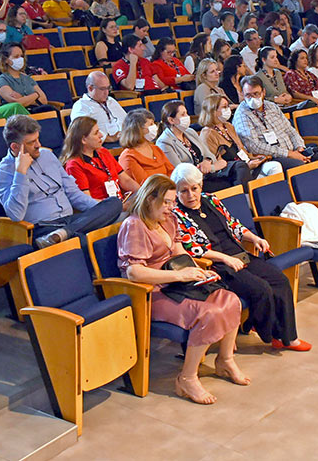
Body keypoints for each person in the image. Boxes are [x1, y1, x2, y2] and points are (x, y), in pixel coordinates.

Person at [117, 174, 246, 405]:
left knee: (231, 299)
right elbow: (134, 273)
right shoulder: (134, 225)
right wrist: (179, 275)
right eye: (166, 202)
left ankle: (225, 360)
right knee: (209, 313)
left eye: (172, 201)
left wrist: (198, 271)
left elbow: (178, 251)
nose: (171, 207)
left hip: (178, 282)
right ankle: (187, 378)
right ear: (149, 200)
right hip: (152, 291)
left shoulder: (168, 220)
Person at [171, 163, 307, 349]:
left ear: (201, 186)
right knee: (261, 289)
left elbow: (233, 224)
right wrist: (225, 258)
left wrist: (254, 237)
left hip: (239, 254)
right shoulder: (176, 214)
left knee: (280, 280)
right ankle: (269, 333)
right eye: (183, 191)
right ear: (176, 193)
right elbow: (192, 249)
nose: (191, 195)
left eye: (194, 189)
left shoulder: (211, 200)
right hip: (217, 265)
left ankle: (285, 336)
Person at [0, 114, 122, 248]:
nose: (39, 145)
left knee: (114, 203)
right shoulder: (4, 172)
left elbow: (73, 193)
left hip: (70, 221)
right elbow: (15, 215)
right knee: (82, 240)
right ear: (15, 147)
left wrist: (99, 209)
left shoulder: (47, 155)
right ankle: (63, 235)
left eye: (38, 139)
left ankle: (64, 233)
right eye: (32, 142)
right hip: (43, 228)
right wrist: (21, 173)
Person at [234, 76, 318, 170]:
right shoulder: (242, 114)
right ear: (243, 94)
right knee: (302, 166)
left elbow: (289, 130)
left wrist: (299, 147)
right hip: (272, 157)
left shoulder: (272, 106)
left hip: (293, 150)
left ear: (263, 92)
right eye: (248, 95)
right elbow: (254, 146)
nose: (253, 99)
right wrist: (289, 154)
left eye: (256, 94)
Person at [156, 101, 249, 192]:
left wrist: (207, 161)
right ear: (171, 120)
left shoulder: (190, 132)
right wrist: (213, 167)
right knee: (229, 184)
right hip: (192, 182)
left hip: (208, 173)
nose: (188, 117)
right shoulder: (164, 142)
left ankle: (247, 201)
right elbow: (181, 172)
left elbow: (208, 154)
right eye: (183, 114)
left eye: (187, 113)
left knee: (240, 167)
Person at [199, 95, 282, 179]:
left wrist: (253, 158)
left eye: (228, 106)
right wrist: (246, 166)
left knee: (275, 166)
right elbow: (215, 163)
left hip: (246, 165)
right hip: (232, 173)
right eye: (224, 107)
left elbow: (241, 149)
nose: (228, 109)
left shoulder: (228, 126)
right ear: (213, 111)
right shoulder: (207, 134)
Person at [60, 116, 139, 201]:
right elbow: (86, 201)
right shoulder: (74, 165)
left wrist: (143, 194)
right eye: (96, 133)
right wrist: (121, 207)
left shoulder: (103, 152)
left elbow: (125, 180)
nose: (101, 135)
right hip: (102, 210)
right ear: (83, 140)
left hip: (119, 203)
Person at [70, 71, 127, 144]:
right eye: (102, 89)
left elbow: (127, 119)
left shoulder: (111, 100)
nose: (106, 92)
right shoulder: (81, 105)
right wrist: (109, 138)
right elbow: (81, 130)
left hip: (123, 139)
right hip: (101, 144)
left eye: (108, 88)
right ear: (90, 88)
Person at [118, 109, 174, 181]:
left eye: (154, 123)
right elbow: (145, 185)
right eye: (151, 124)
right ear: (138, 130)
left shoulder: (156, 149)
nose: (155, 127)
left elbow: (171, 172)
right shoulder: (128, 157)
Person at [0, 42, 50, 110]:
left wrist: (23, 98)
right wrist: (36, 95)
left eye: (22, 56)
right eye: (16, 57)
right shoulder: (3, 80)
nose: (20, 59)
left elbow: (44, 100)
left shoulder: (27, 78)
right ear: (6, 60)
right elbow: (16, 103)